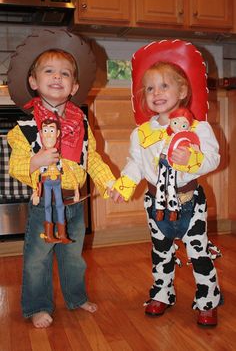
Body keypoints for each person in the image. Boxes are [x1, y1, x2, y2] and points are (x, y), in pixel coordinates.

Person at [7, 29, 115, 328]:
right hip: (45, 203)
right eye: (49, 71)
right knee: (38, 258)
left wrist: (108, 183)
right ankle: (37, 306)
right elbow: (15, 166)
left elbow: (91, 156)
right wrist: (36, 160)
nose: (57, 77)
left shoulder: (80, 121)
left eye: (65, 73)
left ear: (74, 86)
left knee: (73, 256)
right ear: (34, 81)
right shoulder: (25, 127)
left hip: (76, 200)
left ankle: (76, 297)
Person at [111, 40, 222, 326]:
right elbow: (135, 163)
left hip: (190, 203)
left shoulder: (199, 128)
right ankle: (162, 292)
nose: (156, 93)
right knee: (161, 252)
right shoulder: (142, 133)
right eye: (149, 88)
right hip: (155, 204)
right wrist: (124, 185)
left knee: (198, 253)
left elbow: (213, 159)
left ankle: (207, 299)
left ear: (182, 91)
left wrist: (191, 158)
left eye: (164, 86)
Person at [155, 107, 200, 222]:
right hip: (162, 161)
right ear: (170, 122)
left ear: (189, 127)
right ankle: (159, 208)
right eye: (175, 122)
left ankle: (173, 210)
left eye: (183, 125)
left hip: (173, 164)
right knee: (160, 184)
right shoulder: (167, 137)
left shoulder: (186, 140)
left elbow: (194, 152)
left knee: (171, 186)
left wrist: (195, 150)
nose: (179, 127)